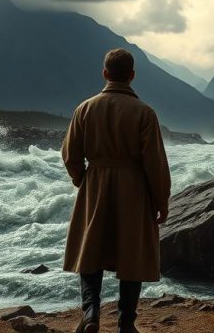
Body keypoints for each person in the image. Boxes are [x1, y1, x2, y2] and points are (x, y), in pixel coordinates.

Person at [61, 48, 172, 333]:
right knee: (132, 253)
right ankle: (126, 324)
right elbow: (155, 163)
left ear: (105, 73)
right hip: (133, 188)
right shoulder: (145, 113)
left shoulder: (84, 109)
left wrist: (83, 180)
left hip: (95, 184)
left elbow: (70, 155)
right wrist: (161, 200)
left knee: (90, 250)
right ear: (132, 75)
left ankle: (90, 312)